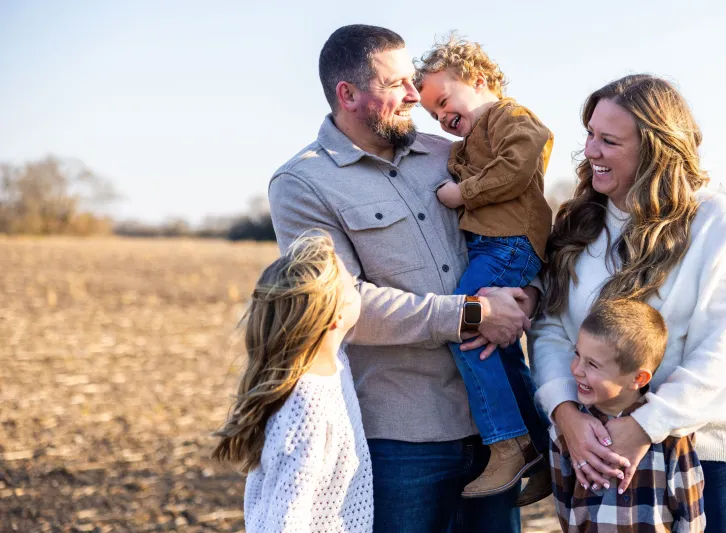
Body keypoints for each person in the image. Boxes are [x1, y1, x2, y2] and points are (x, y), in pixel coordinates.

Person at [268, 24, 539, 532]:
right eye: (397, 85)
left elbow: (513, 228)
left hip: (493, 431)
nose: (416, 95)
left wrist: (528, 294)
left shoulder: (450, 154)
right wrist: (471, 314)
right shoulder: (302, 183)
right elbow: (339, 306)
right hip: (398, 441)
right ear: (347, 94)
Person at [531, 74, 726, 533]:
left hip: (706, 452)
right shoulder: (579, 223)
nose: (591, 152)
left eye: (609, 141)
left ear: (656, 149)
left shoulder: (717, 223)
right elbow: (550, 331)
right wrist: (567, 416)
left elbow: (724, 349)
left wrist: (644, 426)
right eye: (591, 135)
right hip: (593, 448)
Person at [414, 35, 553, 500]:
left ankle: (506, 442)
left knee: (466, 324)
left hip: (508, 244)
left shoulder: (511, 116)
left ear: (477, 79)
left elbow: (520, 161)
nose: (442, 117)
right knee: (499, 347)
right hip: (492, 246)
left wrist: (461, 193)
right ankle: (541, 446)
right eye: (433, 114)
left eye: (444, 101)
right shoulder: (470, 139)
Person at [212, 232, 372, 533]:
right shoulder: (306, 408)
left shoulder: (337, 364)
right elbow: (287, 516)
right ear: (336, 315)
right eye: (352, 285)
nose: (359, 287)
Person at [550, 298, 705, 532]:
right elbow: (565, 508)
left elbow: (690, 518)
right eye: (577, 355)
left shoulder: (672, 436)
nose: (576, 370)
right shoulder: (566, 432)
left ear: (638, 379)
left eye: (592, 364)